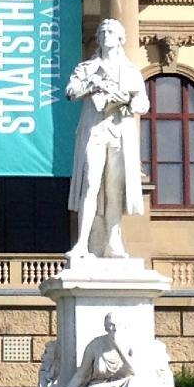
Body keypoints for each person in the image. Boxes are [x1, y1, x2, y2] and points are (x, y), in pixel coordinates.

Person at [65, 18, 148, 261]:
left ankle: (113, 242)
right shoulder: (87, 68)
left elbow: (143, 102)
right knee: (91, 184)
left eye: (111, 31)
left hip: (120, 132)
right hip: (95, 131)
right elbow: (71, 92)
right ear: (98, 39)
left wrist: (129, 102)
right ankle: (83, 244)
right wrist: (93, 84)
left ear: (121, 38)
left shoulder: (131, 70)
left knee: (114, 189)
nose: (106, 35)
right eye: (102, 31)